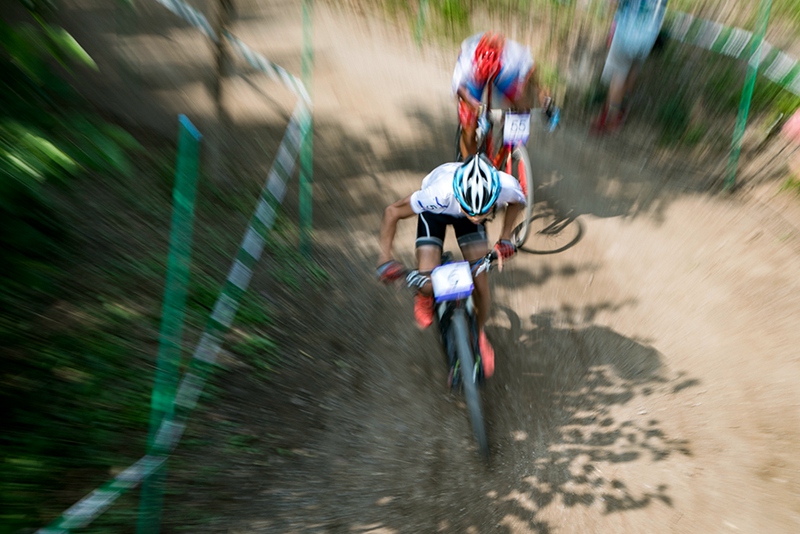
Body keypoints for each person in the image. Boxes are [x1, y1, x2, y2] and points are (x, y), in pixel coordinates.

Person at [376, 155, 525, 379]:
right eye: (471, 212)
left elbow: (517, 202)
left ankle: (478, 334)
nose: (477, 218)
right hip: (436, 212)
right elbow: (392, 212)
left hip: (462, 209)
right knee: (427, 283)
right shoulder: (436, 194)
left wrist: (504, 238)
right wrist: (385, 258)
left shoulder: (505, 186)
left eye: (483, 213)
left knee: (481, 283)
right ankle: (424, 296)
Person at [452, 31, 550, 159]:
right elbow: (458, 88)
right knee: (469, 124)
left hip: (502, 73)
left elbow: (531, 70)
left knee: (522, 107)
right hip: (473, 78)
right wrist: (473, 104)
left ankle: (507, 144)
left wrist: (544, 98)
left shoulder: (513, 56)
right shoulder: (467, 59)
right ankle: (468, 165)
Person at [591, 0, 668, 134]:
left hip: (627, 33)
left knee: (618, 77)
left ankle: (610, 118)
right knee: (633, 71)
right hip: (649, 36)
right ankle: (622, 110)